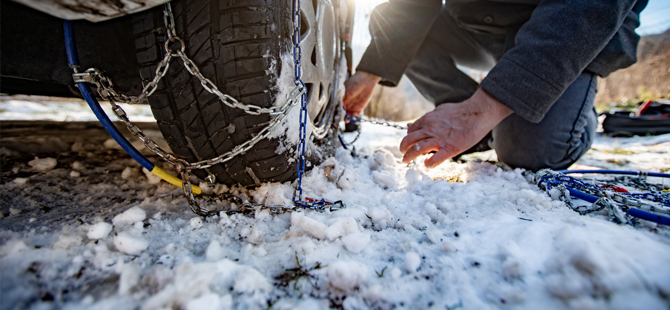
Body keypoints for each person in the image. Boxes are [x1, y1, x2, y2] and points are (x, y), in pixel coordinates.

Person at [343, 0, 648, 170]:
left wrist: (482, 109)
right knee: (389, 18)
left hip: (567, 30)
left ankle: (576, 113)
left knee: (530, 153)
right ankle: (470, 122)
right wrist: (373, 68)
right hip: (476, 24)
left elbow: (587, 7)